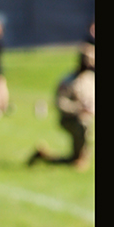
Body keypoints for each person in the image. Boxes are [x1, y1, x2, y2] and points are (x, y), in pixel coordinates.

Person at [28, 38, 94, 169]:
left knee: (73, 159)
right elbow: (60, 103)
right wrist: (79, 109)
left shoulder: (90, 79)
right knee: (82, 126)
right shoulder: (68, 80)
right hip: (70, 119)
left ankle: (44, 155)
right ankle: (79, 159)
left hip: (87, 118)